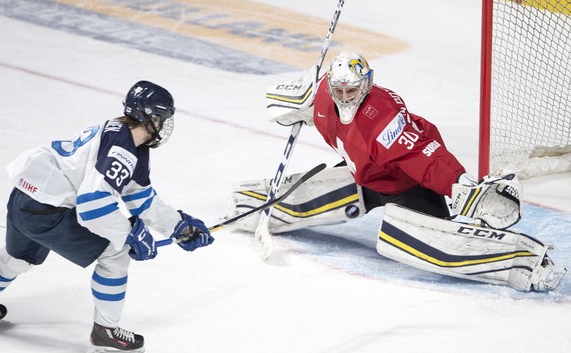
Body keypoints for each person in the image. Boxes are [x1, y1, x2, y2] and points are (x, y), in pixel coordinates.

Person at [228, 52, 565, 292]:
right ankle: (246, 207)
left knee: (418, 244)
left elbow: (422, 155)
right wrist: (292, 108)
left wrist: (460, 186)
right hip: (367, 177)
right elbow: (290, 94)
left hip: (410, 187)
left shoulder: (382, 118)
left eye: (352, 90)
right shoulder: (321, 95)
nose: (345, 97)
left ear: (367, 84)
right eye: (339, 89)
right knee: (311, 195)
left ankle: (525, 262)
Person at [0, 81, 214, 353]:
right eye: (162, 118)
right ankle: (105, 332)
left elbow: (140, 196)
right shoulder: (123, 147)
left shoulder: (126, 139)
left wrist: (177, 226)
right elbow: (93, 204)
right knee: (116, 253)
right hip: (48, 212)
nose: (165, 125)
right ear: (150, 116)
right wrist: (128, 235)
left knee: (16, 258)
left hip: (26, 199)